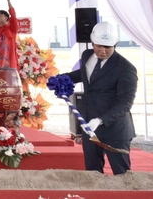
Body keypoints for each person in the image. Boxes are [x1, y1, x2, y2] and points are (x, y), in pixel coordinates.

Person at [55, 22, 137, 175]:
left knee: (122, 175)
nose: (102, 51)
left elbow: (125, 103)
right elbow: (85, 75)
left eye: (108, 47)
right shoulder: (87, 56)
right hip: (89, 127)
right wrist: (61, 79)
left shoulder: (126, 69)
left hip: (115, 130)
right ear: (92, 42)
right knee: (92, 174)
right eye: (98, 46)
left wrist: (100, 120)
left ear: (116, 44)